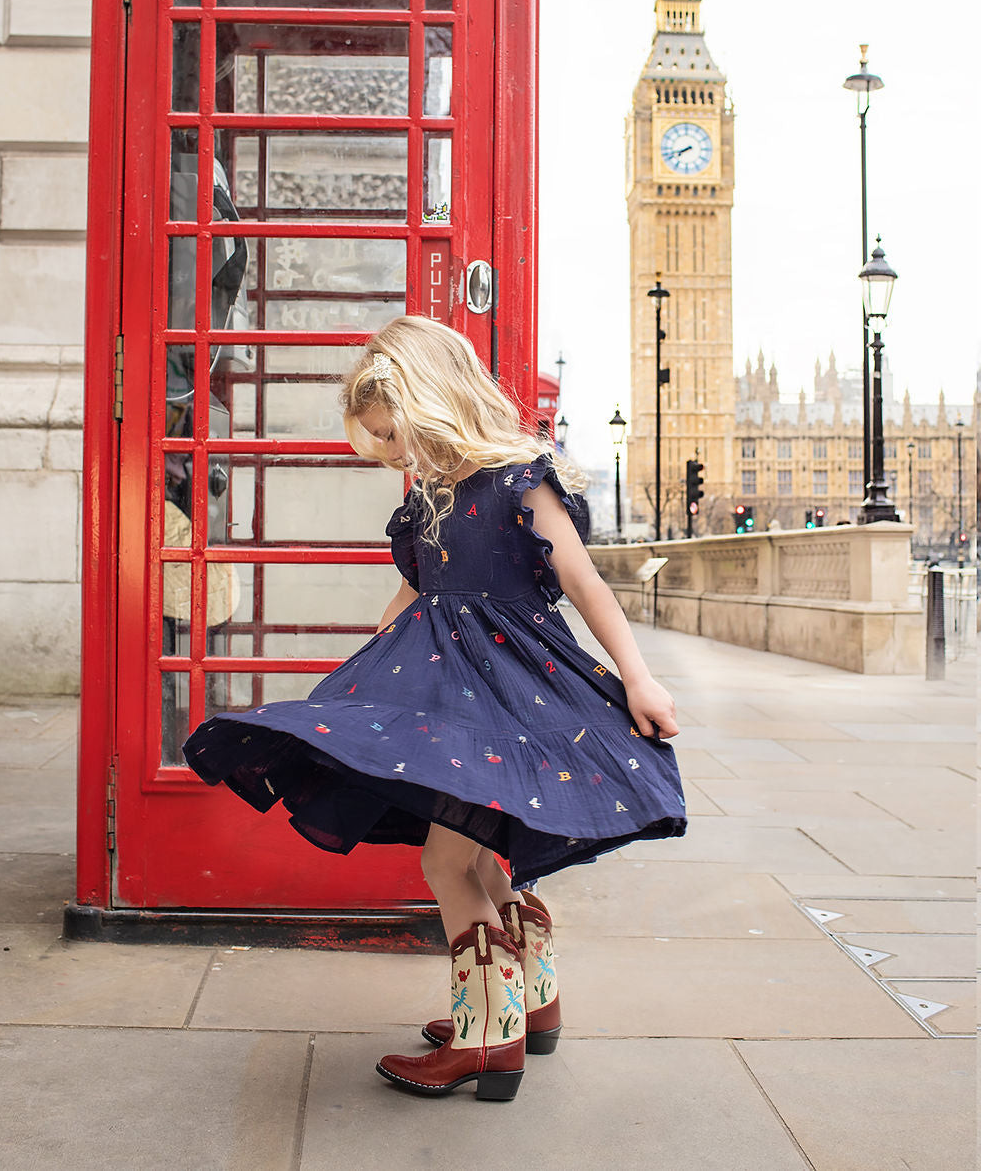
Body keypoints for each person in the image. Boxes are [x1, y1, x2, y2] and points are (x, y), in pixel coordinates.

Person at [184, 315, 686, 1101]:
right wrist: (370, 658)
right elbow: (423, 586)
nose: (392, 454)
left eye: (394, 434)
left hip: (507, 691)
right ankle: (530, 1003)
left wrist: (639, 679)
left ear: (433, 400)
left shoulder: (520, 479)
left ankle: (488, 1038)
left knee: (444, 860)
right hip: (445, 690)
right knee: (481, 854)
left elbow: (587, 586)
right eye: (380, 443)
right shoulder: (431, 497)